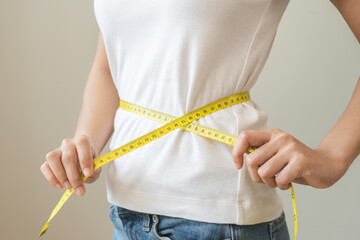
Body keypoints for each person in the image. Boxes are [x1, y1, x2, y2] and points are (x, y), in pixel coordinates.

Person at [40, 0, 360, 239]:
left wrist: (333, 157)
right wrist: (84, 147)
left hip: (218, 219)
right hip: (127, 211)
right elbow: (109, 67)